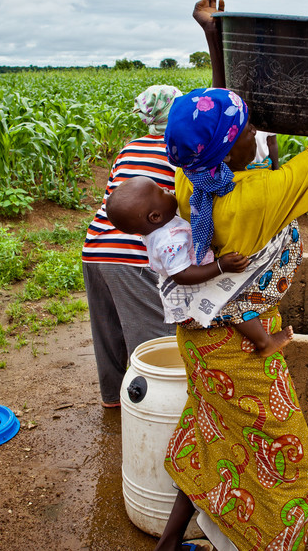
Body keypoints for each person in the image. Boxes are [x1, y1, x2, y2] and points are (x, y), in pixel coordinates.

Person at [153, 0, 308, 551]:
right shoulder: (262, 195)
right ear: (234, 149)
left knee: (214, 434)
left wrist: (212, 34)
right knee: (293, 467)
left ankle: (171, 541)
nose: (257, 129)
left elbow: (223, 108)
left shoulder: (191, 177)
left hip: (199, 338)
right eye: (249, 128)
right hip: (239, 349)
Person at [105, 175, 294, 358]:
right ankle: (264, 342)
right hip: (194, 282)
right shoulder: (169, 240)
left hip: (196, 275)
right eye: (162, 192)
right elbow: (182, 274)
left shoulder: (162, 226)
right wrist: (220, 266)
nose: (168, 189)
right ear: (155, 216)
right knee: (234, 303)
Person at [81, 85, 183, 408]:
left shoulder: (129, 149)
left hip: (95, 247)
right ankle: (154, 410)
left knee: (108, 332)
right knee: (154, 343)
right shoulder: (179, 151)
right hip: (132, 255)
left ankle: (112, 399)